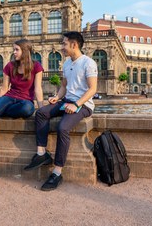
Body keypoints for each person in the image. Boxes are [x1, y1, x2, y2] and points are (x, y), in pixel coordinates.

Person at [24, 31, 98, 191]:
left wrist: (77, 104)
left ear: (74, 44)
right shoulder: (66, 63)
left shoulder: (88, 63)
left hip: (83, 105)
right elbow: (64, 86)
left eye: (64, 44)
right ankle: (42, 153)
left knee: (63, 128)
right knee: (41, 113)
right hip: (66, 101)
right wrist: (57, 97)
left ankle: (57, 173)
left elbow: (93, 89)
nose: (62, 47)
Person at [0, 39, 44, 171]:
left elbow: (38, 89)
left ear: (25, 51)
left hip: (25, 100)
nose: (14, 52)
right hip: (9, 96)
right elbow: (5, 88)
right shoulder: (10, 66)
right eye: (14, 49)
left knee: (28, 109)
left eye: (17, 49)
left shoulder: (36, 67)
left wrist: (42, 110)